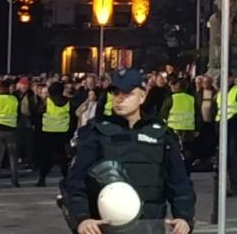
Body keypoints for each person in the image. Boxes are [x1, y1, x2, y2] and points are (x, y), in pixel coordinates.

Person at [62, 68, 195, 234]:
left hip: (151, 226)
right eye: (116, 93)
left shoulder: (162, 135)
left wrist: (184, 218)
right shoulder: (95, 133)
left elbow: (180, 183)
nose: (120, 99)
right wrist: (82, 219)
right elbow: (75, 182)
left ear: (142, 96)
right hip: (106, 227)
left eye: (127, 94)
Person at [35, 81, 72, 187]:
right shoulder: (68, 101)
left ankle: (42, 179)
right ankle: (67, 178)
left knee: (47, 157)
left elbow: (38, 112)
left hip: (48, 132)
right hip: (62, 132)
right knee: (63, 157)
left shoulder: (47, 101)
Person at [165, 78, 198, 170]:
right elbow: (197, 114)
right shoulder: (191, 99)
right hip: (188, 130)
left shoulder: (171, 99)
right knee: (187, 151)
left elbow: (163, 114)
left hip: (173, 129)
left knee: (174, 152)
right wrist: (197, 129)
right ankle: (186, 170)